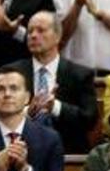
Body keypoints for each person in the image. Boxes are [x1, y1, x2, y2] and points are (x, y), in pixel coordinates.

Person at [11, 11, 99, 154]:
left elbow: (89, 119)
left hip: (68, 151)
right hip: (21, 150)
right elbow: (1, 115)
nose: (33, 35)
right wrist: (28, 111)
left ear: (58, 36)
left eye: (41, 30)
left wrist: (55, 107)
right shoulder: (13, 72)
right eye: (30, 31)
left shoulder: (80, 74)